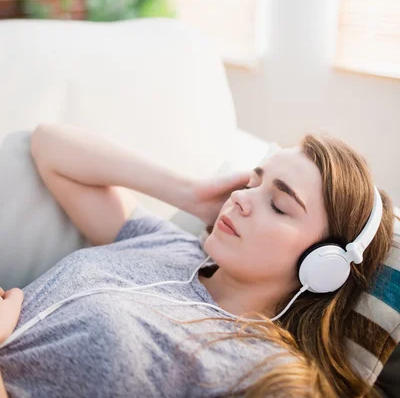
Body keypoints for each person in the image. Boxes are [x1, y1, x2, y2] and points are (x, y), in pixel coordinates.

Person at [0, 123, 395, 397]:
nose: (241, 198)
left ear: (323, 265)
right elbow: (49, 145)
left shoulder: (262, 372)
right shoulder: (169, 245)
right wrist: (188, 193)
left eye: (277, 204)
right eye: (251, 183)